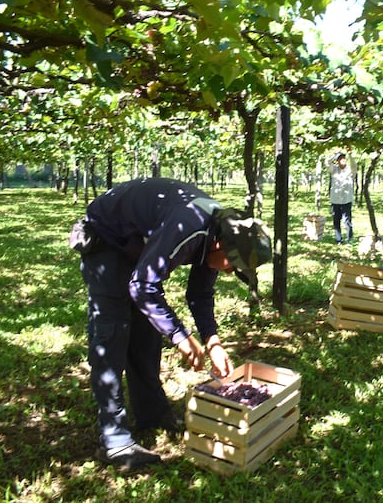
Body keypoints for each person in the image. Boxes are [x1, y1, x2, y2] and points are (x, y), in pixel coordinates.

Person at [69, 177, 272, 470]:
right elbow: (142, 286)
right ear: (219, 245)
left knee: (147, 335)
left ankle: (151, 413)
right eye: (232, 266)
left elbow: (200, 295)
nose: (229, 273)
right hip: (107, 241)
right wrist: (180, 336)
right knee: (112, 337)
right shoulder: (189, 228)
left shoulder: (220, 233)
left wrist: (212, 341)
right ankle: (115, 441)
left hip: (136, 246)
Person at [329, 152, 356, 245]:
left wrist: (350, 154)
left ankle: (349, 239)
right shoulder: (334, 170)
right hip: (335, 200)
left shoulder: (350, 170)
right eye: (340, 159)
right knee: (336, 220)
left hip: (346, 200)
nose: (343, 160)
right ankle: (338, 239)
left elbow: (354, 164)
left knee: (347, 220)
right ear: (337, 161)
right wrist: (334, 154)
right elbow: (327, 162)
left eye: (344, 158)